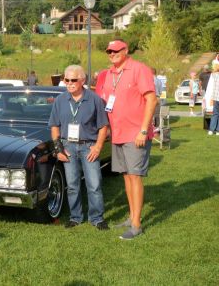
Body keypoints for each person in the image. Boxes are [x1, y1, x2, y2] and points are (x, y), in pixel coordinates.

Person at [98, 40, 157, 240]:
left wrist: (143, 130)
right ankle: (132, 217)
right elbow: (105, 102)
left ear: (125, 51)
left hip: (135, 134)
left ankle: (137, 225)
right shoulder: (110, 74)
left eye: (115, 50)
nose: (112, 54)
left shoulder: (139, 69)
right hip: (118, 133)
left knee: (135, 176)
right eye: (109, 51)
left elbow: (151, 99)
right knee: (126, 176)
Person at [48, 65, 109, 230]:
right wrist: (58, 148)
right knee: (73, 185)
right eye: (66, 80)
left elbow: (103, 126)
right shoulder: (60, 101)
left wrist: (97, 147)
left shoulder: (94, 99)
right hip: (68, 147)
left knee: (94, 184)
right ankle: (75, 217)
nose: (69, 83)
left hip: (89, 146)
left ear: (82, 80)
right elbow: (54, 126)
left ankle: (96, 218)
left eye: (73, 80)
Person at [207, 63, 219, 135]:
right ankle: (218, 130)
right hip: (216, 97)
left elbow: (213, 71)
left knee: (215, 114)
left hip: (215, 97)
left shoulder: (214, 75)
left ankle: (211, 130)